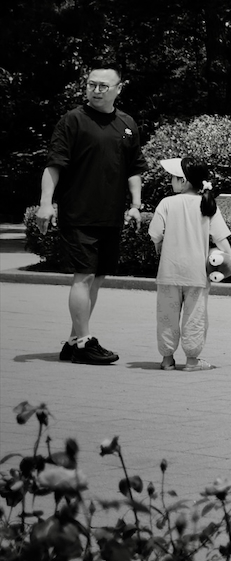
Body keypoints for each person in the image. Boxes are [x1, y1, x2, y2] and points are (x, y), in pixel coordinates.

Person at [38, 68, 145, 365]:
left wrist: (136, 204)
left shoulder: (127, 124)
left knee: (96, 278)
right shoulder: (73, 120)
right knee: (83, 276)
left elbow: (134, 168)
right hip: (79, 213)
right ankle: (85, 342)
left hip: (110, 216)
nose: (96, 90)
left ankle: (74, 341)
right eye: (91, 85)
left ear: (118, 88)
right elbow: (54, 164)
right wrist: (46, 203)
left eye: (103, 85)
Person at [148, 158, 231, 369]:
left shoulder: (167, 203)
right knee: (194, 317)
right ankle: (192, 360)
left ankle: (166, 359)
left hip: (169, 272)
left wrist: (159, 242)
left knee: (166, 316)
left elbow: (154, 233)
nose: (171, 181)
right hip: (196, 274)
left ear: (183, 181)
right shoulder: (206, 204)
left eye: (173, 177)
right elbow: (221, 238)